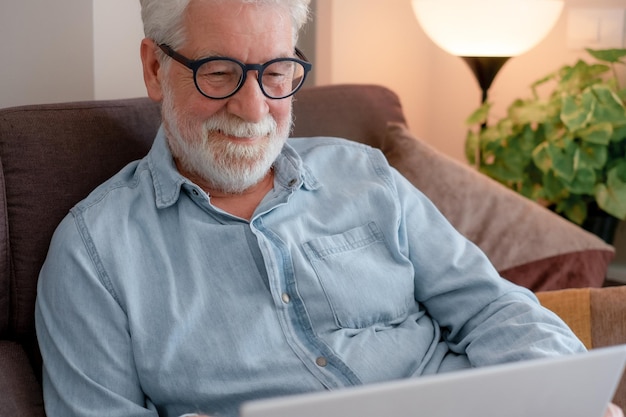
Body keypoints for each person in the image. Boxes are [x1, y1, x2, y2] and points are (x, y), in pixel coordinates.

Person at [34, 0, 623, 416]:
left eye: (277, 72)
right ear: (155, 69)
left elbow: (492, 309)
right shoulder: (95, 253)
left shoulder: (364, 175)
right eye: (219, 73)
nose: (254, 107)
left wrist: (567, 392)